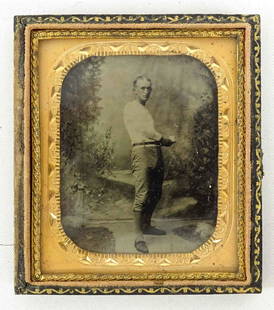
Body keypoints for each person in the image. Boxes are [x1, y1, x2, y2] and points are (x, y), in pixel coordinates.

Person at [123, 75, 175, 253]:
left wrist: (160, 142)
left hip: (155, 151)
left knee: (156, 191)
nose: (146, 91)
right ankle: (138, 236)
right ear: (134, 90)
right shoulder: (131, 107)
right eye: (142, 88)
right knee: (143, 193)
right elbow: (145, 131)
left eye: (148, 88)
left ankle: (146, 225)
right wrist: (164, 139)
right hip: (142, 151)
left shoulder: (144, 110)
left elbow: (150, 132)